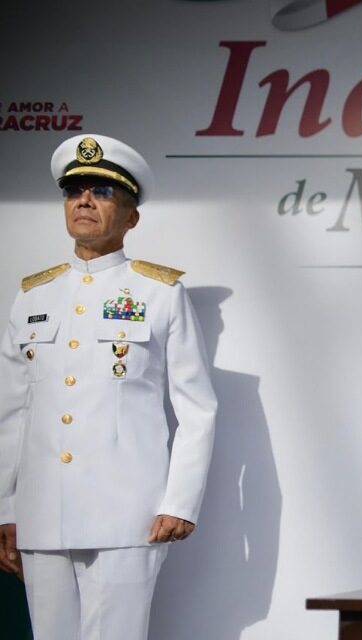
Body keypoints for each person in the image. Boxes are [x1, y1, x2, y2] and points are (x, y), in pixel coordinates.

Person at [0, 134, 217, 640]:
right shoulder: (32, 295)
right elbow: (11, 412)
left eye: (102, 192)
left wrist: (179, 502)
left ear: (131, 217)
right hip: (41, 513)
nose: (84, 201)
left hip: (126, 513)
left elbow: (197, 408)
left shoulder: (159, 293)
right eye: (75, 191)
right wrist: (6, 508)